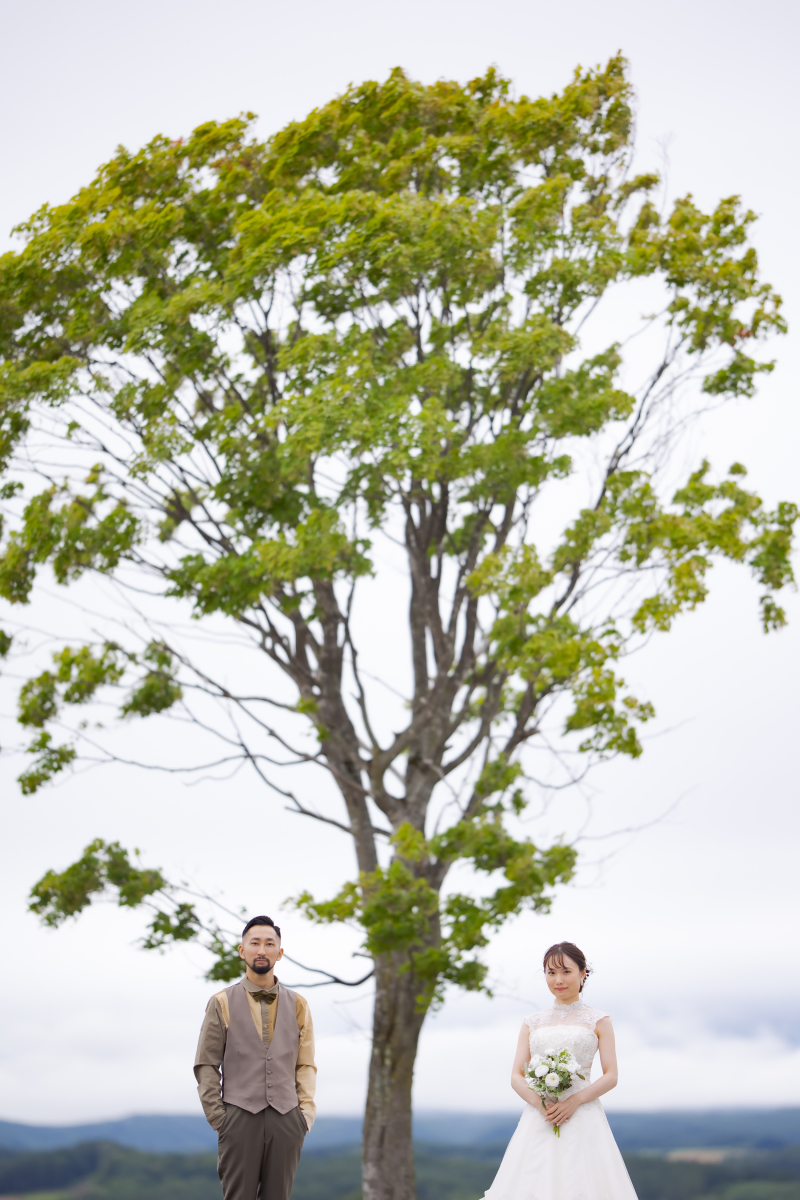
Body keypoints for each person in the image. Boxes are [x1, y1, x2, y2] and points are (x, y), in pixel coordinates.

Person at [482, 941, 638, 1200]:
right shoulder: (532, 1022)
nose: (558, 980)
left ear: (583, 972)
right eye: (551, 972)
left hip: (583, 1114)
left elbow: (611, 1075)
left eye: (566, 971)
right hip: (540, 1116)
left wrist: (574, 1101)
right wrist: (541, 1104)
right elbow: (516, 1076)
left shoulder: (599, 1020)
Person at [194, 915, 316, 1200]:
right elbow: (206, 1064)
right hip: (238, 1117)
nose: (262, 950)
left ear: (279, 953)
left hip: (288, 1117)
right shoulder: (221, 1002)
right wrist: (219, 1118)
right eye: (255, 943)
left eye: (269, 943)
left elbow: (306, 1063)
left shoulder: (299, 1004)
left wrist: (305, 1115)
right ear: (242, 950)